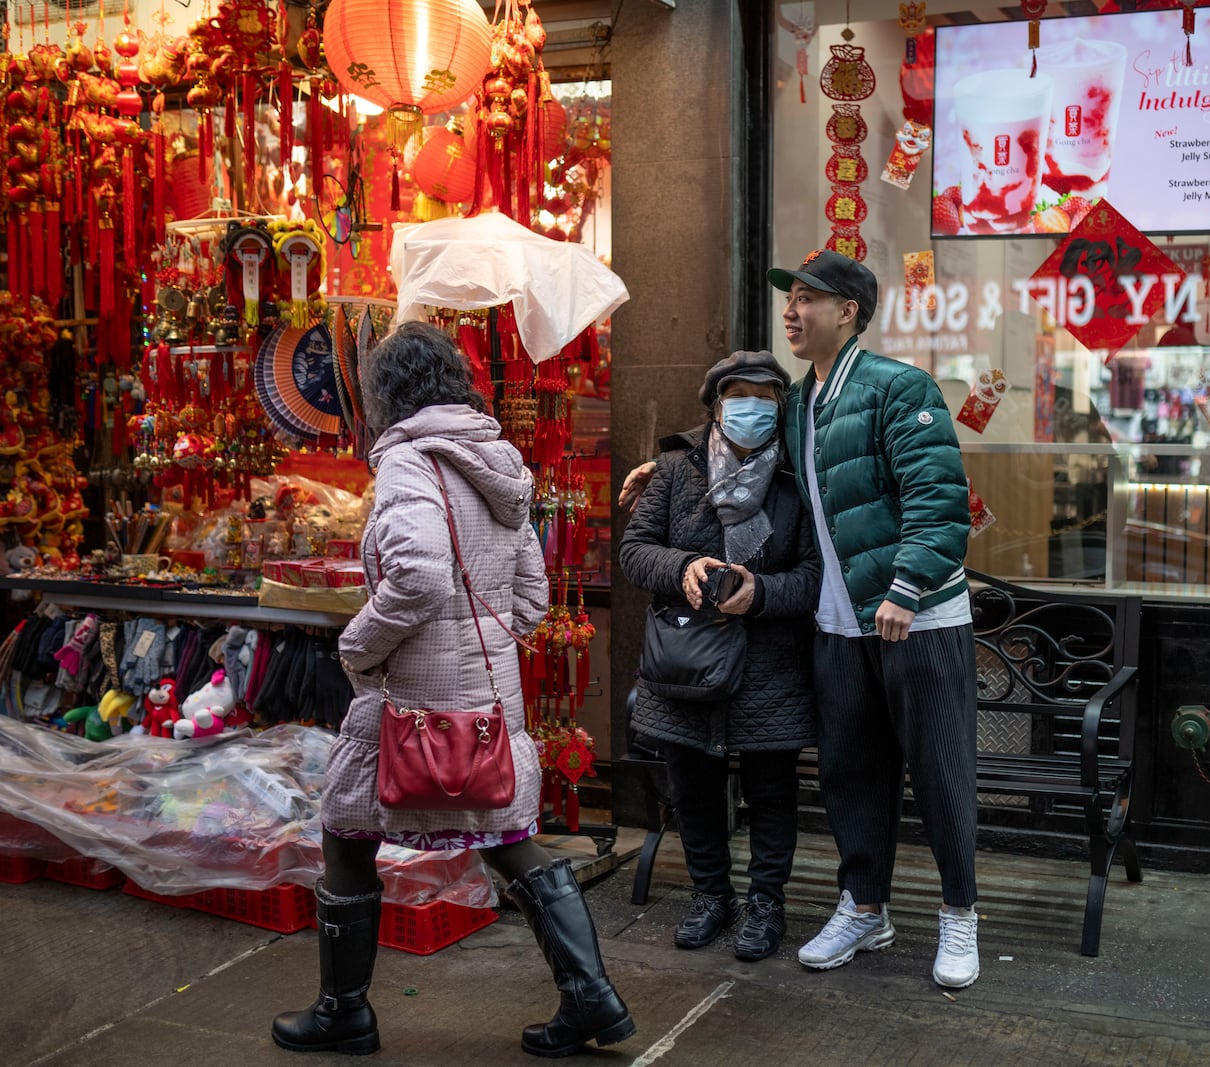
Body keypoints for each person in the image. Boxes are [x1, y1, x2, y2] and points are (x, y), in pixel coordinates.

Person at [620, 251, 982, 989]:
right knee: (850, 772)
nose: (791, 310)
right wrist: (659, 469)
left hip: (917, 618)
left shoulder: (898, 387)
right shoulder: (796, 404)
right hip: (838, 623)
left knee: (940, 769)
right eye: (789, 299)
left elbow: (939, 501)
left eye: (807, 299)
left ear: (848, 312)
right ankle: (865, 905)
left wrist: (908, 586)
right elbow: (731, 447)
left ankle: (959, 915)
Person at [270, 322, 632, 1059]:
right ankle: (594, 997)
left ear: (386, 392)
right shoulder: (499, 461)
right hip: (490, 701)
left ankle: (345, 1011)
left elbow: (421, 577)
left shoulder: (407, 462)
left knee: (346, 828)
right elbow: (531, 600)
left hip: (409, 699)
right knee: (504, 834)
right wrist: (480, 647)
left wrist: (358, 646)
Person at [617, 350, 820, 962]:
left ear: (780, 407)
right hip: (686, 657)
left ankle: (766, 904)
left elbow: (813, 575)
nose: (751, 407)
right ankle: (712, 896)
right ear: (715, 404)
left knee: (771, 791)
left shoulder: (798, 478)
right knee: (693, 786)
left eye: (765, 396)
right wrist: (682, 567)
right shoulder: (678, 469)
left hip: (769, 666)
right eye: (740, 395)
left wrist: (761, 593)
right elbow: (634, 550)